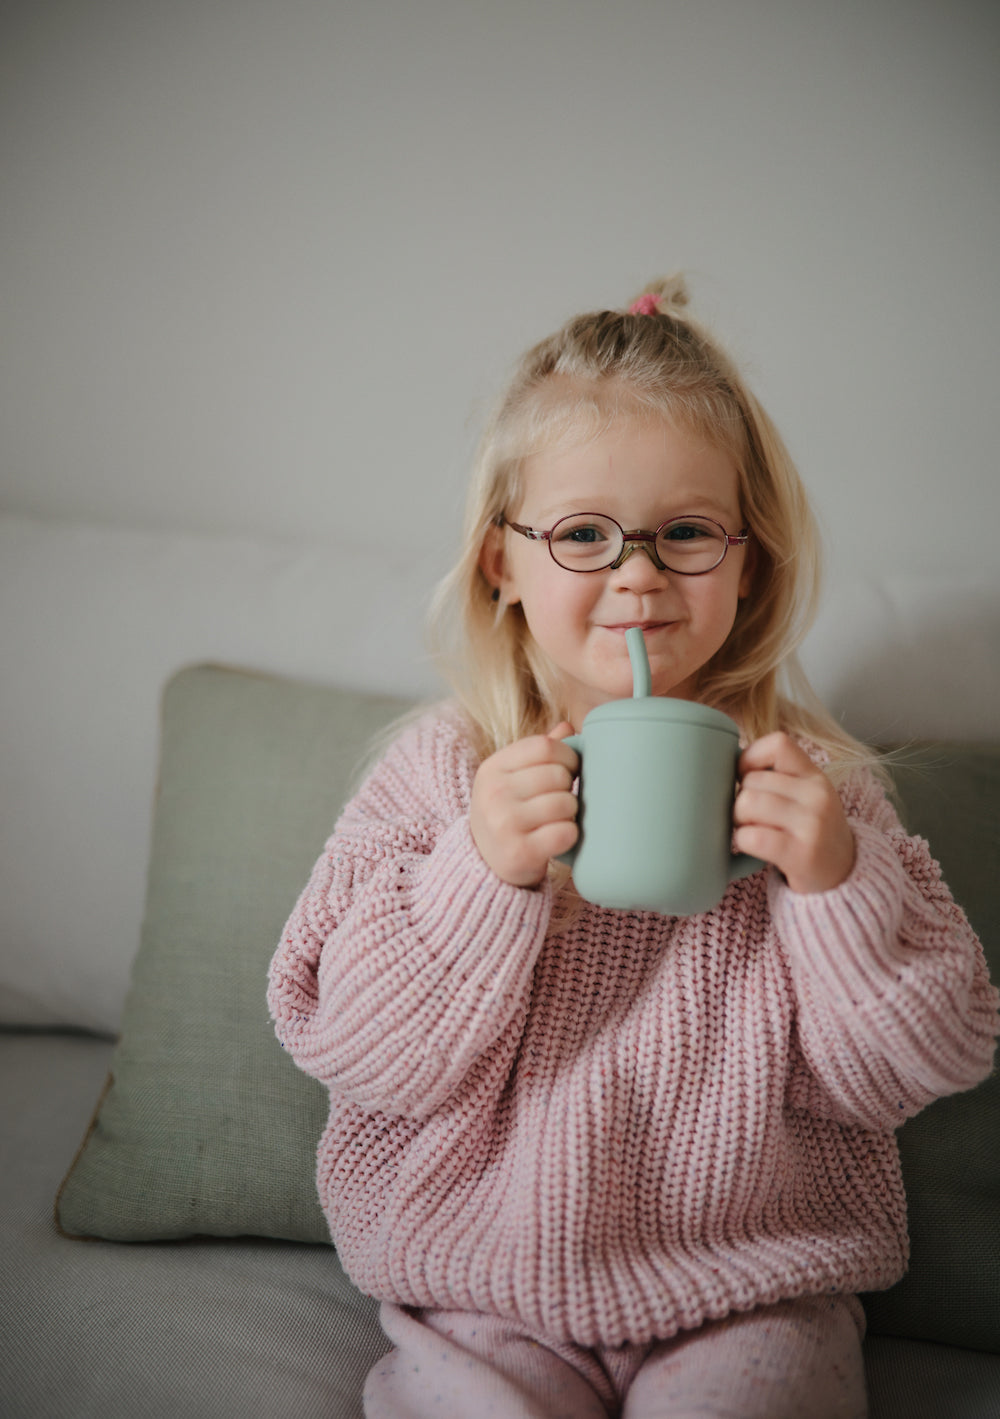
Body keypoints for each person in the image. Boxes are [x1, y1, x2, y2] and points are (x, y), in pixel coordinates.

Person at [268, 277, 998, 1419]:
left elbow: (925, 1065)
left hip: (755, 1290)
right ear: (501, 563)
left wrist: (834, 889)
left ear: (748, 561)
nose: (639, 575)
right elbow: (349, 1046)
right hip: (481, 1297)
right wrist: (480, 874)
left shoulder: (822, 795)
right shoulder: (442, 773)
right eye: (583, 535)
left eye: (687, 533)